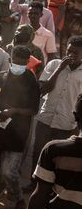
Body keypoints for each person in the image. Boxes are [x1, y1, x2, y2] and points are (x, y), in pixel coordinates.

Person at [0, 45, 39, 209]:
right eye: (16, 63)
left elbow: (33, 110)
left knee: (9, 172)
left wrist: (14, 111)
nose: (19, 67)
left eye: (23, 64)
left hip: (17, 135)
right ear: (10, 60)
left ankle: (18, 199)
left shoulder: (31, 81)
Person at [30, 37, 82, 180]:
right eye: (69, 51)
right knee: (38, 152)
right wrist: (60, 68)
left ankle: (50, 187)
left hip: (65, 124)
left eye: (75, 53)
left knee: (57, 158)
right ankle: (33, 182)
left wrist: (77, 127)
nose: (70, 55)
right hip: (45, 119)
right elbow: (44, 89)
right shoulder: (54, 64)